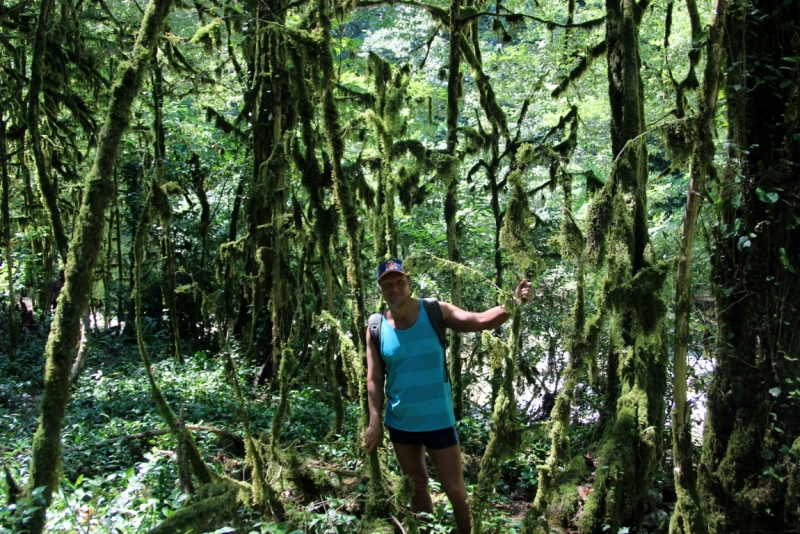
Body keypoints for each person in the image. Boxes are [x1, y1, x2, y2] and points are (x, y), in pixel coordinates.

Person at [364, 258, 532, 533]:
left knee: (456, 490)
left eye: (399, 282)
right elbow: (374, 378)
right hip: (400, 423)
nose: (394, 288)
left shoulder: (434, 311)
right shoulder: (376, 326)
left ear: (408, 284)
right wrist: (374, 423)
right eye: (387, 284)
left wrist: (514, 303)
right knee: (416, 486)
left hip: (439, 422)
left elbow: (479, 321)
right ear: (380, 289)